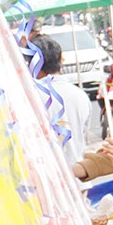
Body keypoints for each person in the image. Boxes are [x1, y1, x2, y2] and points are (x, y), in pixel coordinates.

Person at [31, 34, 92, 166]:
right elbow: (83, 130)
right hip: (80, 176)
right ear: (60, 60)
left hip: (49, 178)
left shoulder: (30, 96)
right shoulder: (80, 95)